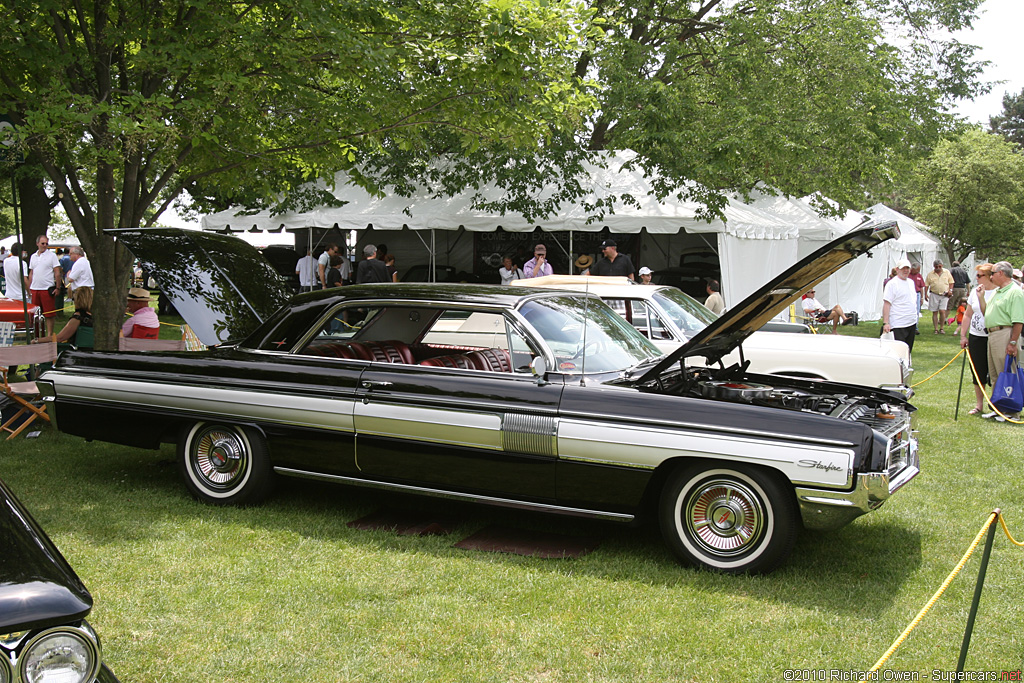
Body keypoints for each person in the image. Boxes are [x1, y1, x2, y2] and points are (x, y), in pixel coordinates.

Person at [981, 261, 1024, 421]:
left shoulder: (1015, 292)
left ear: (1001, 273)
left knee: (1007, 371)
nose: (990, 276)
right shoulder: (997, 292)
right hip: (992, 334)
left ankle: (1011, 411)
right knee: (994, 373)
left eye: (992, 273)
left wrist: (1012, 342)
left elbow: (1018, 320)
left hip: (1005, 333)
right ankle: (998, 407)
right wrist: (980, 298)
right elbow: (988, 312)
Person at [959, 263, 997, 415]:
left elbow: (988, 312)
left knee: (994, 371)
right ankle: (979, 404)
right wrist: (963, 335)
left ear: (990, 277)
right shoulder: (975, 291)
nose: (977, 278)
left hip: (993, 335)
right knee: (977, 370)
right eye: (977, 275)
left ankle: (995, 403)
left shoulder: (997, 292)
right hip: (976, 336)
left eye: (980, 275)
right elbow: (968, 314)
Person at [882, 258, 919, 355]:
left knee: (907, 350)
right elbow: (887, 304)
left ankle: (906, 367)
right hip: (898, 322)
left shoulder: (911, 282)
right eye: (903, 268)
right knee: (898, 351)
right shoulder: (892, 284)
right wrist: (886, 323)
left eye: (907, 268)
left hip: (911, 321)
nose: (906, 270)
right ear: (897, 269)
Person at [27, 234, 62, 338]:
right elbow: (31, 273)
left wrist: (58, 287)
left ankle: (50, 334)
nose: (45, 245)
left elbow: (57, 272)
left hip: (47, 289)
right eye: (43, 243)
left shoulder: (52, 256)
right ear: (37, 244)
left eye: (46, 243)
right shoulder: (33, 256)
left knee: (49, 314)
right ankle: (36, 334)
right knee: (34, 314)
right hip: (35, 288)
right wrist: (29, 289)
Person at [924, 259, 954, 333]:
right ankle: (936, 329)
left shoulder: (947, 272)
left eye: (939, 266)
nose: (938, 268)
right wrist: (925, 294)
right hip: (934, 294)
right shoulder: (930, 274)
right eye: (936, 266)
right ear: (934, 266)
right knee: (935, 312)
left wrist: (950, 290)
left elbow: (951, 282)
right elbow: (926, 285)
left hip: (944, 294)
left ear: (942, 266)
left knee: (942, 311)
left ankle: (942, 328)